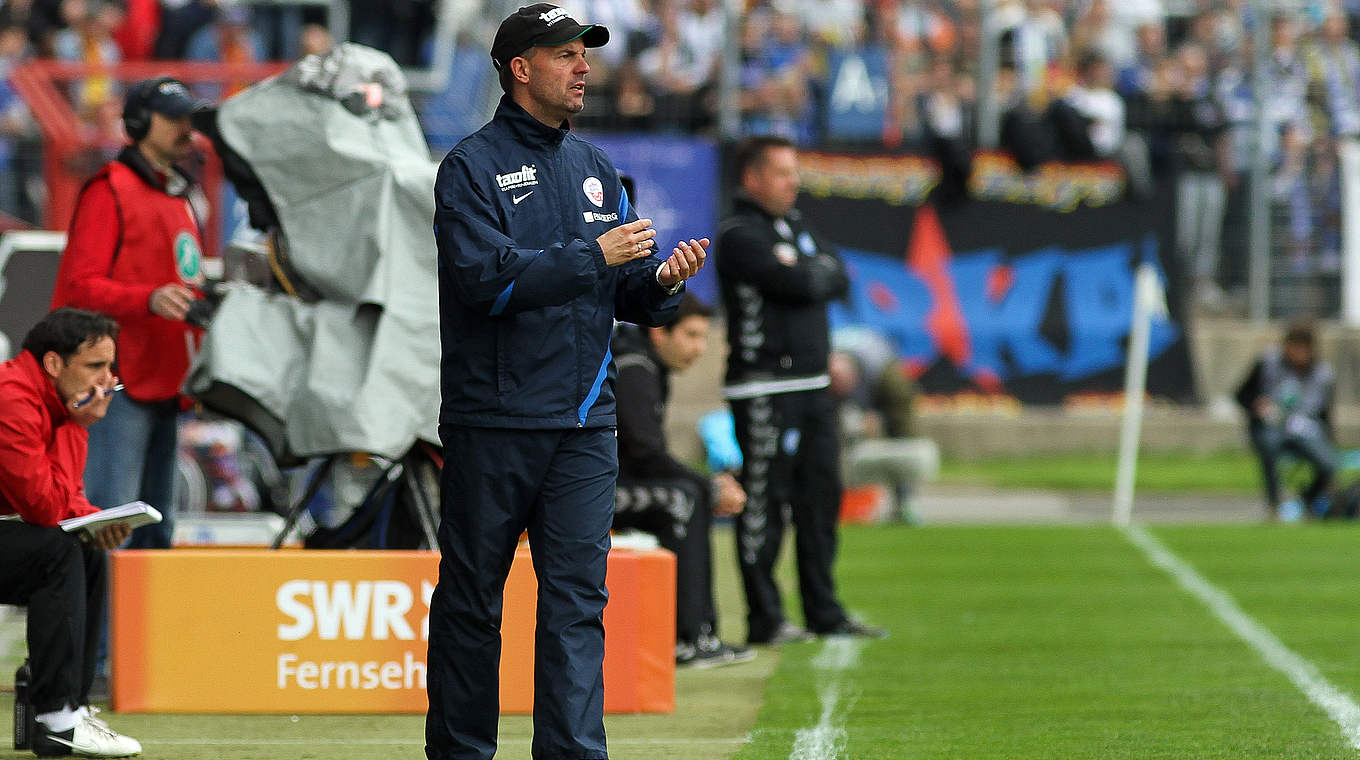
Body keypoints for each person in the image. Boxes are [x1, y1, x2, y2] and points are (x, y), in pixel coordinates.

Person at [424, 5, 709, 759]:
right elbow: (485, 282)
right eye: (565, 55)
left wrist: (663, 286)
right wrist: (598, 256)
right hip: (495, 420)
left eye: (586, 55)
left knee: (577, 606)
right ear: (521, 68)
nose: (584, 67)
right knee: (472, 603)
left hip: (586, 424)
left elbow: (625, 289)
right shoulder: (470, 168)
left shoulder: (594, 170)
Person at [716, 135, 886, 646]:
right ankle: (765, 618)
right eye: (783, 173)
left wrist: (808, 271)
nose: (794, 183)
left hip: (814, 387)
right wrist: (807, 274)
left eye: (795, 172)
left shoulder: (796, 227)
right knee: (765, 504)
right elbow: (807, 285)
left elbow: (836, 275)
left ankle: (824, 611)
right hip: (765, 388)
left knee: (820, 501)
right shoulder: (738, 234)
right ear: (754, 178)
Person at [49, 76, 210, 549]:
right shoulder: (110, 189)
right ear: (140, 123)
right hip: (117, 383)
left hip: (164, 380)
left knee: (157, 533)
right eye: (173, 118)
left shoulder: (178, 194)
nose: (186, 128)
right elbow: (79, 287)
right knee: (111, 523)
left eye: (189, 118)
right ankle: (99, 627)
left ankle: (140, 628)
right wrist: (147, 299)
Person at [0, 308, 142, 758]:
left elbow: (66, 498)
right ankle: (56, 716)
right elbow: (41, 506)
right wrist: (78, 425)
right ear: (53, 364)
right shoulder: (12, 399)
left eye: (110, 367)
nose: (106, 381)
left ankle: (71, 712)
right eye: (95, 367)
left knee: (84, 548)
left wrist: (94, 521)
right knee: (56, 551)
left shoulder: (50, 399)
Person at [612, 294, 753, 668]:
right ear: (659, 332)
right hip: (588, 493)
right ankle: (687, 640)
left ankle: (701, 633)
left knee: (688, 493)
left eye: (704, 337)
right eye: (691, 335)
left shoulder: (645, 364)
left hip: (613, 484)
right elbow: (644, 452)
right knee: (685, 499)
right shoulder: (633, 367)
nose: (699, 348)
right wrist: (710, 485)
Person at [1235, 321, 1337, 522]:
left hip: (1306, 429)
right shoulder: (1267, 363)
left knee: (1329, 462)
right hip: (1272, 427)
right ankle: (1273, 503)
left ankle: (1309, 500)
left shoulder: (1323, 374)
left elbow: (1325, 414)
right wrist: (1257, 406)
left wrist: (1330, 441)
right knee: (1269, 446)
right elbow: (1241, 394)